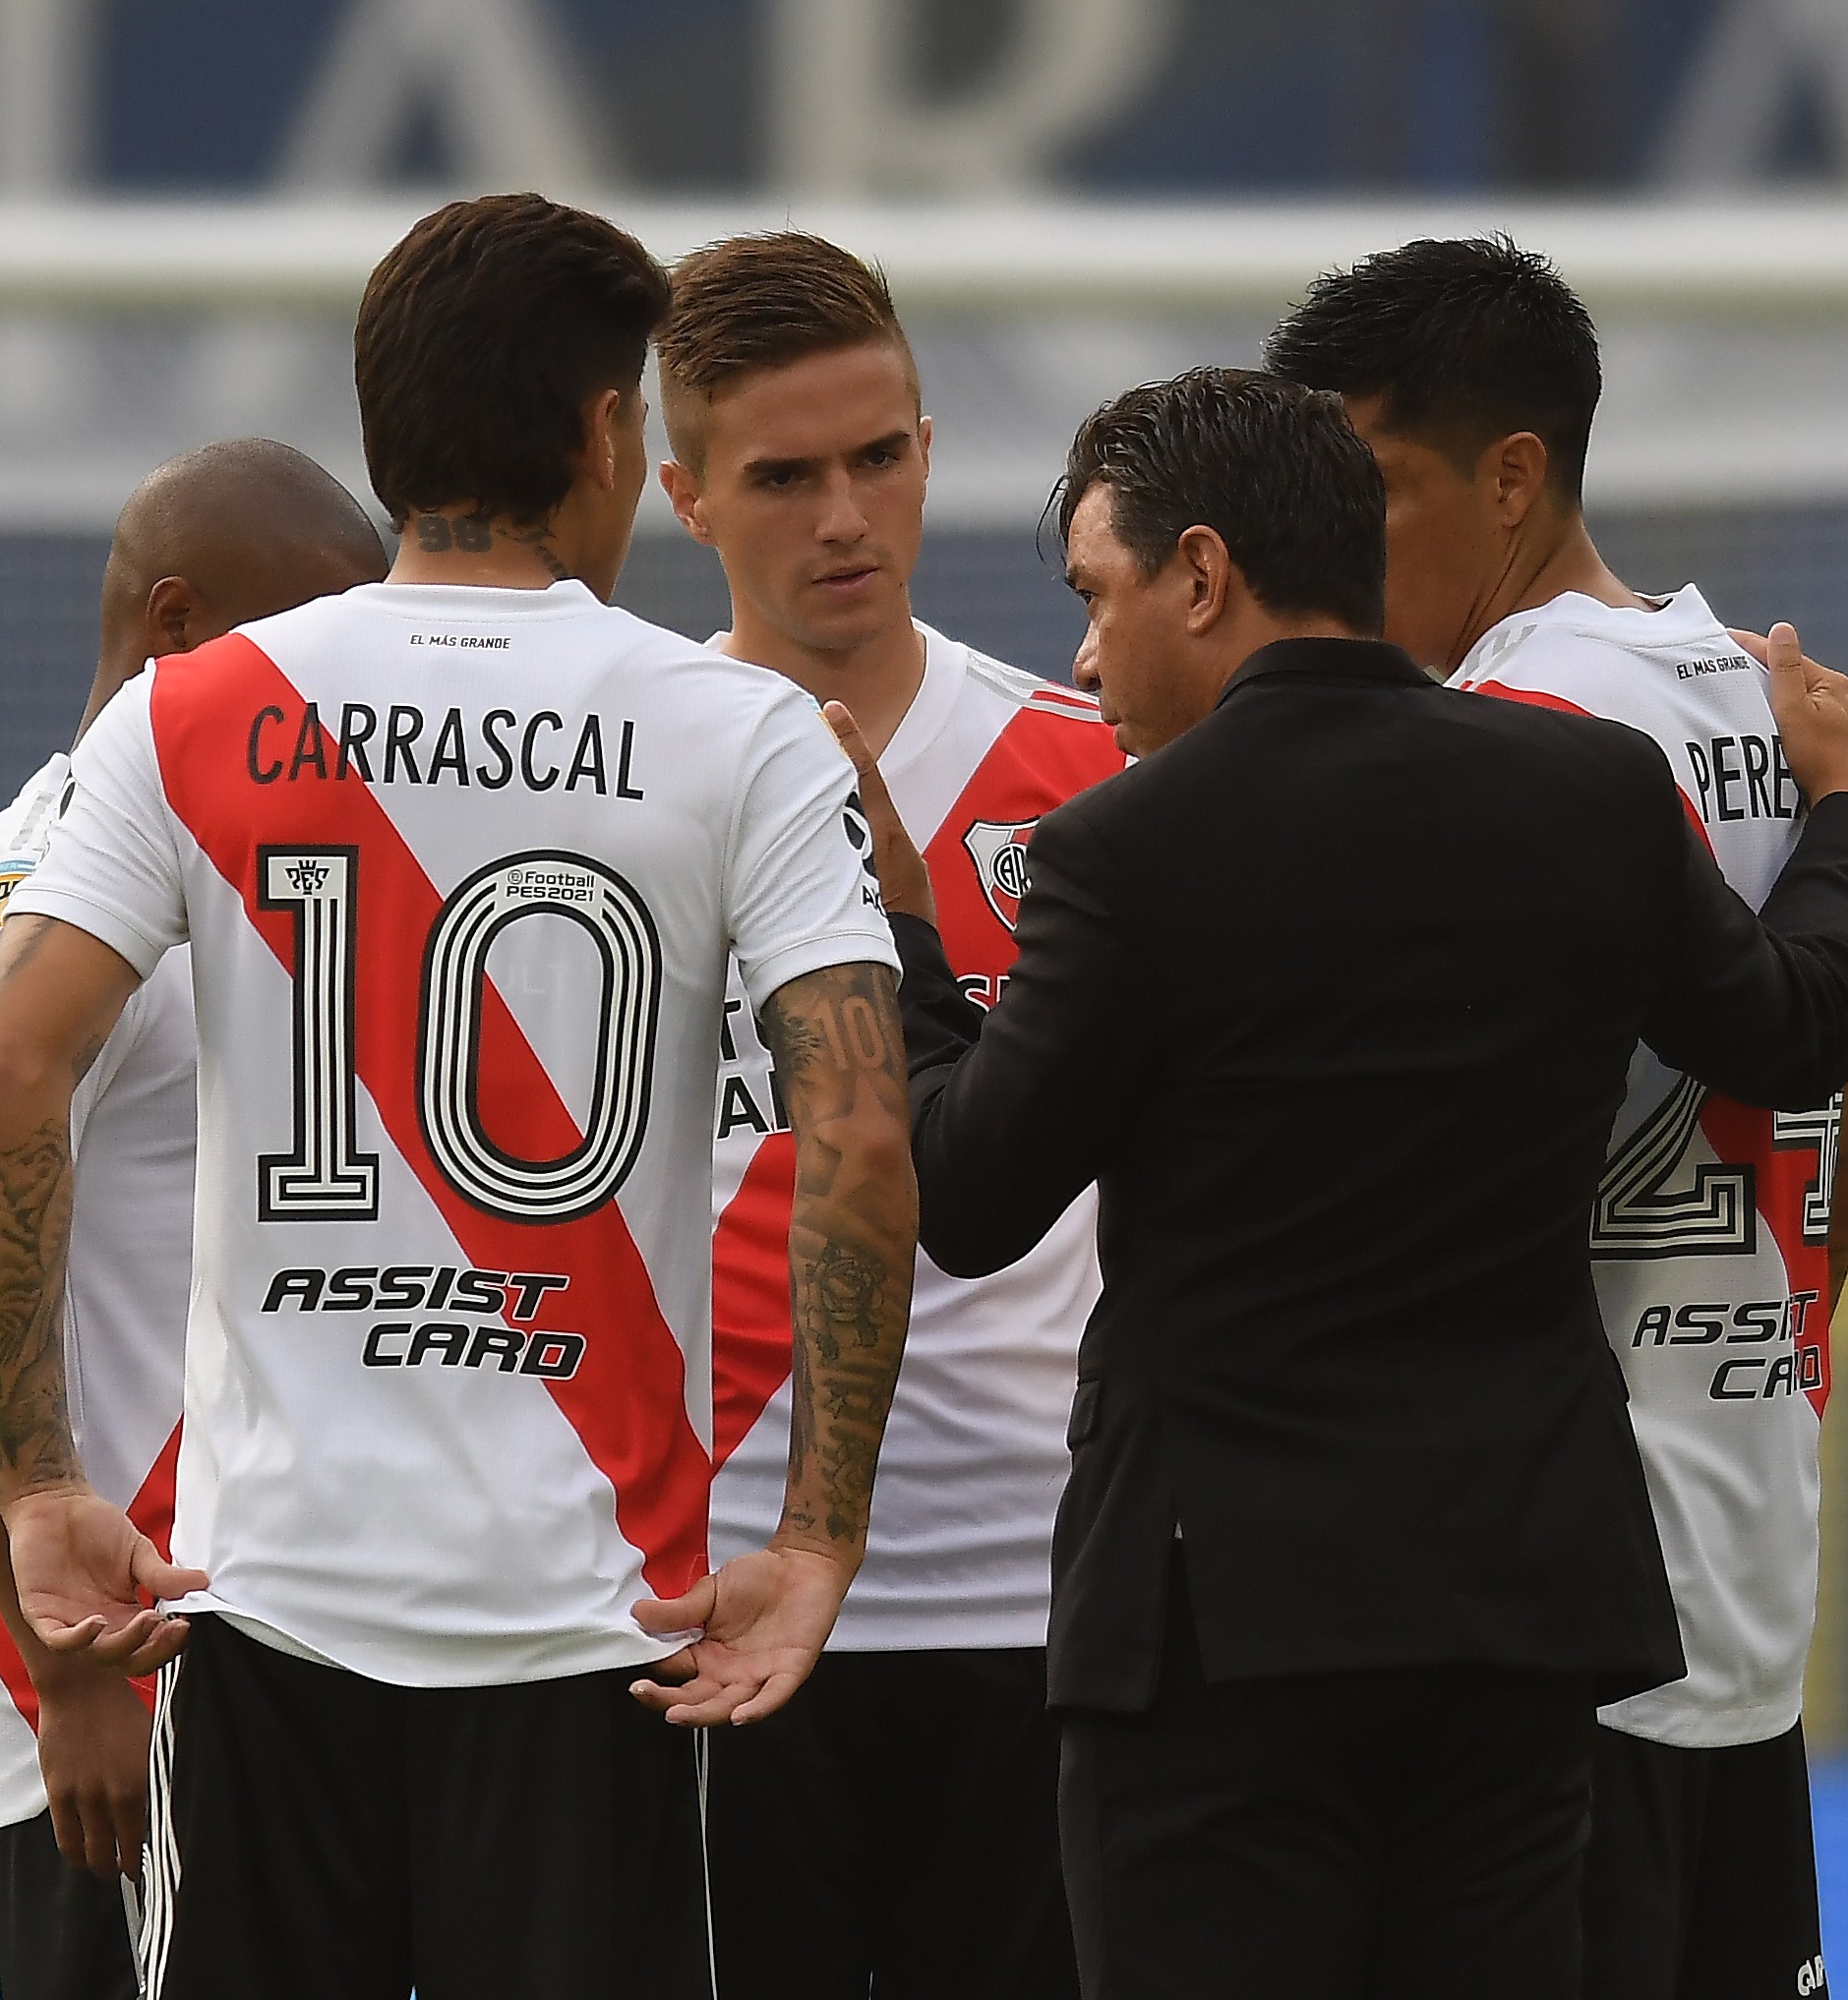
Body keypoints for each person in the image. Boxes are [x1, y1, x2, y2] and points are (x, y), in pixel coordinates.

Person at [0, 193, 921, 2000]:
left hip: (268, 1623)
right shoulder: (742, 731)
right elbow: (858, 1133)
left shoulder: (194, 712)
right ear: (607, 433)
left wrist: (37, 1474)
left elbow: (3, 1085)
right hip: (595, 1640)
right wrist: (816, 1535)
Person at [827, 366, 1848, 1999]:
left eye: (1100, 596)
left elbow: (971, 1198)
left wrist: (904, 936)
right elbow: (1800, 1024)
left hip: (1218, 1633)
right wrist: (1846, 816)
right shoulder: (1589, 796)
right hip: (1519, 1619)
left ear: (1202, 573)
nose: (1086, 654)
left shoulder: (1121, 853)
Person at [1269, 238, 1848, 2000]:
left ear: (1512, 475)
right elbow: (1840, 1110)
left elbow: (1438, 1170)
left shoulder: (1517, 728)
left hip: (1551, 1617)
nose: (1333, 550)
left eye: (1367, 489)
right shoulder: (1764, 700)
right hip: (1748, 1574)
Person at [654, 230, 1119, 2000]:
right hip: (717, 1600)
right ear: (686, 493)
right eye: (784, 476)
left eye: (883, 456)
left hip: (1039, 1603)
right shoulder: (629, 779)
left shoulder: (1090, 769)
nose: (845, 513)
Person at [0, 439, 388, 1999]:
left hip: (267, 1640)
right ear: (177, 623)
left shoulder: (251, 862)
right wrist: (65, 1675)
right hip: (113, 1668)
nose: (337, 688)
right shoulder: (37, 884)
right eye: (306, 638)